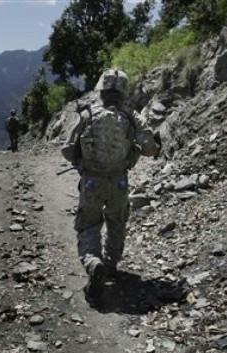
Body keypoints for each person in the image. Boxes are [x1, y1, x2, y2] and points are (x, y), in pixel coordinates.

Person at [61, 69, 161, 302]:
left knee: (88, 225)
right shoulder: (131, 116)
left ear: (102, 89)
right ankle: (111, 265)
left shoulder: (87, 114)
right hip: (119, 181)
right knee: (117, 222)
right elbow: (149, 148)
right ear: (123, 90)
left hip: (91, 181)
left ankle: (93, 262)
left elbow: (67, 149)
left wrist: (79, 161)